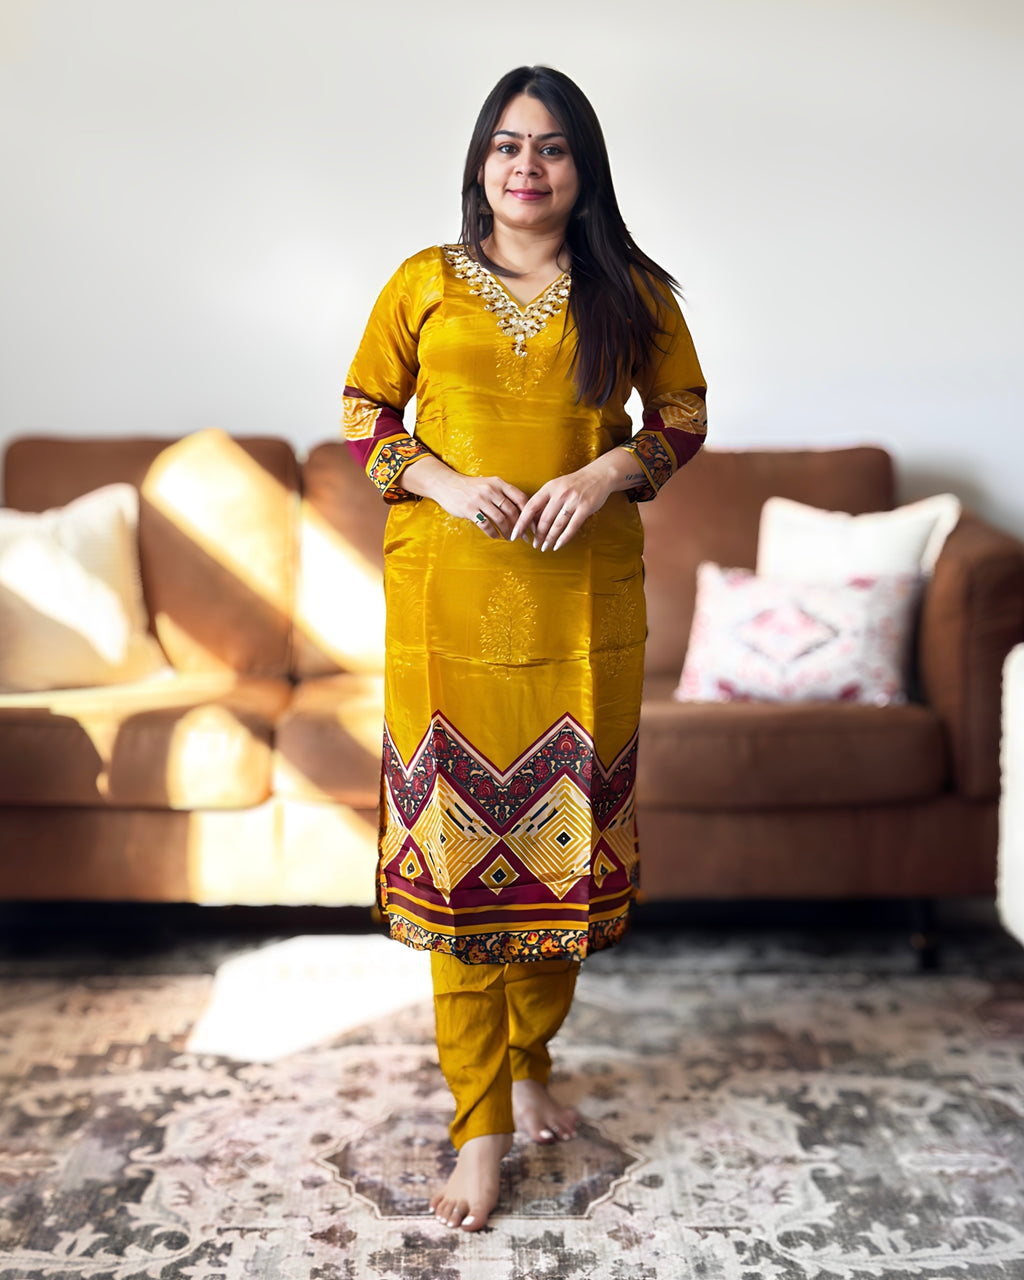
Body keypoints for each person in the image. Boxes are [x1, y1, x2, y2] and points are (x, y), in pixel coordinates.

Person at [343, 65, 707, 1232]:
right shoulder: (422, 282)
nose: (526, 165)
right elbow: (363, 412)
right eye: (506, 144)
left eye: (550, 146)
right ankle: (480, 1125)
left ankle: (530, 1058)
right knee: (459, 871)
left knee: (561, 863)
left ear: (582, 169)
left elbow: (683, 415)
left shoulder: (632, 292)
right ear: (479, 162)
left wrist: (606, 471)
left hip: (579, 619)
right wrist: (441, 480)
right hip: (445, 617)